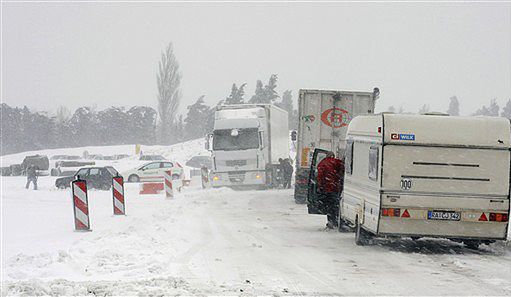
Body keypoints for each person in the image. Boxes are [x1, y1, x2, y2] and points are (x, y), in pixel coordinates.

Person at [316, 151, 344, 229]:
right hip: (335, 188)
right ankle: (337, 221)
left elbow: (319, 176)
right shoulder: (336, 162)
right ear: (333, 156)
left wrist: (320, 186)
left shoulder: (322, 163)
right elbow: (343, 168)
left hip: (326, 189)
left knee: (329, 206)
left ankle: (330, 221)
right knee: (336, 205)